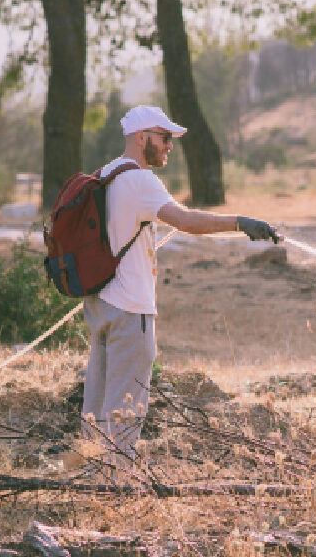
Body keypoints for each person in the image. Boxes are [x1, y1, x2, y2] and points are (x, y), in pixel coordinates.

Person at [80, 105, 280, 475]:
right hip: (130, 309)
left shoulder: (106, 173)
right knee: (125, 405)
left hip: (101, 303)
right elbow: (186, 220)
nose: (170, 146)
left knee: (97, 402)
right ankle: (113, 486)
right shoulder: (140, 180)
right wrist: (240, 222)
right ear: (142, 138)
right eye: (165, 138)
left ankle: (87, 475)